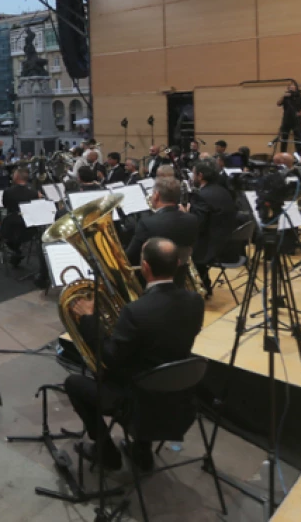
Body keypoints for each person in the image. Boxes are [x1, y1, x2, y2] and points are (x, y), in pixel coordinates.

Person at [64, 238, 204, 471]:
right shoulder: (195, 301)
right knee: (151, 368)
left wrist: (89, 320)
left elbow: (109, 358)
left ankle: (106, 452)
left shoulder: (135, 312)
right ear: (178, 263)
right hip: (180, 399)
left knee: (74, 383)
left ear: (146, 267)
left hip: (138, 404)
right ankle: (142, 451)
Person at [126, 177, 200, 280]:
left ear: (156, 195)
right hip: (180, 276)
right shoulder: (192, 219)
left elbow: (130, 257)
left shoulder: (147, 223)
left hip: (152, 278)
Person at [186, 159, 238, 293]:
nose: (192, 177)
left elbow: (197, 225)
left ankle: (195, 287)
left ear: (200, 176)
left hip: (213, 248)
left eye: (194, 174)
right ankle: (204, 283)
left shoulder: (202, 196)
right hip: (229, 243)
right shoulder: (223, 191)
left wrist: (186, 213)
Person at [1, 167, 40, 266]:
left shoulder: (8, 191)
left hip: (9, 228)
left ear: (17, 177)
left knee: (2, 231)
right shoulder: (34, 193)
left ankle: (17, 251)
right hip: (29, 228)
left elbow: (5, 205)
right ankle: (17, 251)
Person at [278, 83, 301, 154]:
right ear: (288, 88)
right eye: (290, 87)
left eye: (293, 87)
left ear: (295, 88)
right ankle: (282, 154)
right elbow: (278, 103)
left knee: (298, 139)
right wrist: (283, 96)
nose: (292, 88)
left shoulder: (298, 97)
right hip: (286, 120)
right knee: (284, 138)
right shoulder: (286, 97)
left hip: (296, 120)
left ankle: (299, 155)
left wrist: (299, 113)